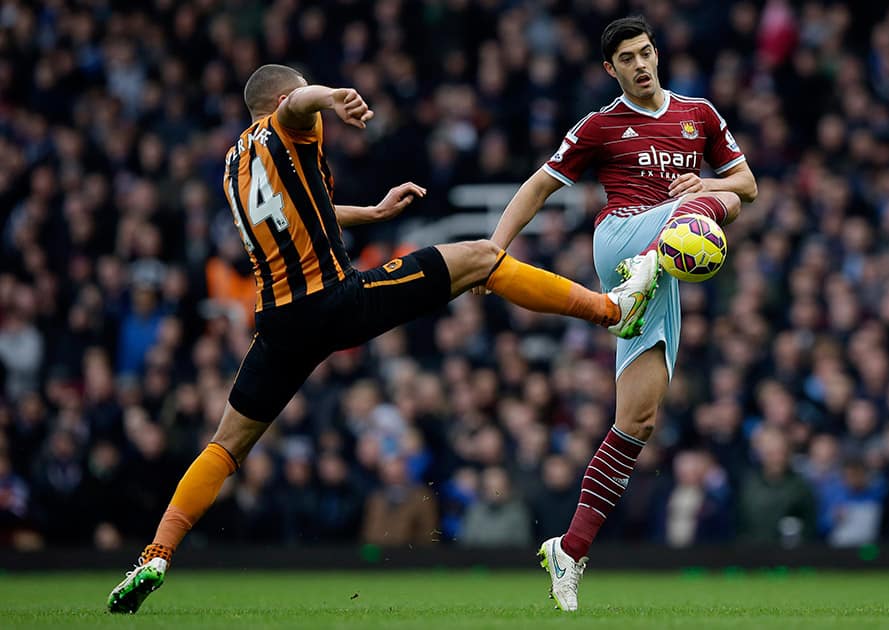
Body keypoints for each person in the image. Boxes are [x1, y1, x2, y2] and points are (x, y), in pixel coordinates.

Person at [106, 63, 659, 614]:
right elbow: (299, 106)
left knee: (226, 445)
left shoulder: (234, 166)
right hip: (333, 301)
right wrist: (330, 97)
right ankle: (611, 310)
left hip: (278, 322)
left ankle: (157, 553)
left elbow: (303, 216)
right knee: (481, 257)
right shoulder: (289, 121)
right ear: (285, 98)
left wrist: (370, 212)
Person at [483, 17, 757, 611]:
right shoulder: (599, 125)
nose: (641, 64)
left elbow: (748, 182)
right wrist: (493, 249)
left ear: (657, 54)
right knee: (714, 206)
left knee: (639, 419)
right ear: (611, 69)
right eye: (627, 58)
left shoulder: (699, 114)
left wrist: (700, 187)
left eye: (646, 52)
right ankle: (646, 266)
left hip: (665, 267)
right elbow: (537, 187)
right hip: (622, 236)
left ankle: (570, 549)